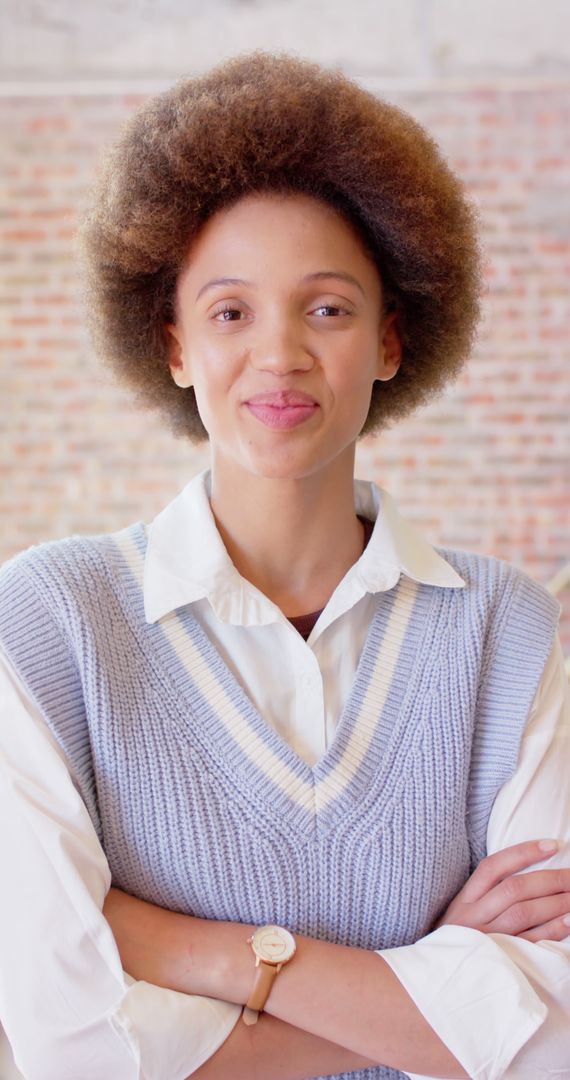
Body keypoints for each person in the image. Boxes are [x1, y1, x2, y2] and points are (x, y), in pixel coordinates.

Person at [0, 51, 569, 1080]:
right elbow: (70, 1043)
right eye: (230, 312)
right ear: (172, 345)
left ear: (392, 340)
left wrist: (183, 950)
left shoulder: (504, 627)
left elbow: (556, 1032)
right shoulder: (48, 623)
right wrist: (434, 984)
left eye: (328, 308)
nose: (280, 356)